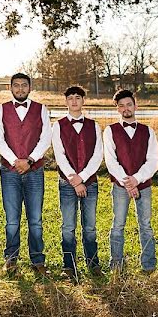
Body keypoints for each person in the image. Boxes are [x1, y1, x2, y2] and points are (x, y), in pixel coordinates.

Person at [0, 72, 51, 274]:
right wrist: (14, 161)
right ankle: (11, 259)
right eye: (16, 85)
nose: (20, 89)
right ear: (10, 88)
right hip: (9, 171)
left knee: (35, 218)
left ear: (29, 87)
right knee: (12, 219)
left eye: (24, 85)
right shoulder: (1, 110)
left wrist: (30, 160)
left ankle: (37, 260)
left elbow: (45, 138)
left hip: (34, 170)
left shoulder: (41, 109)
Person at [103, 89, 158, 273]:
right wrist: (127, 182)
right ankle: (116, 265)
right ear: (117, 109)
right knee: (118, 224)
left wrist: (136, 179)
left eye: (129, 104)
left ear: (135, 105)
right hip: (120, 186)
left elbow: (153, 161)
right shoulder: (110, 131)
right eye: (121, 106)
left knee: (146, 225)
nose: (125, 108)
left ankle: (149, 265)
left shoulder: (148, 131)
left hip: (144, 185)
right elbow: (111, 162)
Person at [51, 85, 103, 280]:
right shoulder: (58, 125)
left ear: (83, 101)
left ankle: (93, 263)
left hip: (90, 183)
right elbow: (60, 155)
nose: (74, 101)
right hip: (67, 183)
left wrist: (83, 178)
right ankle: (69, 265)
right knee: (68, 226)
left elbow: (98, 155)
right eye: (70, 98)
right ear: (66, 101)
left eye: (78, 98)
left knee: (90, 226)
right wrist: (74, 178)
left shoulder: (94, 126)